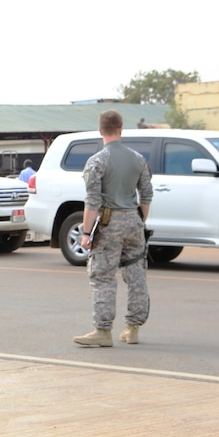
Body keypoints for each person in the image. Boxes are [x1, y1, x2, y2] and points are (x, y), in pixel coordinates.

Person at [73, 110, 153, 347]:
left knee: (102, 276)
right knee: (136, 274)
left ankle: (103, 330)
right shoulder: (138, 159)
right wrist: (140, 220)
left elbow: (93, 200)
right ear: (121, 129)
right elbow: (147, 194)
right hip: (133, 221)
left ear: (100, 131)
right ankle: (133, 328)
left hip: (109, 222)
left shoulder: (97, 161)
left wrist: (86, 233)